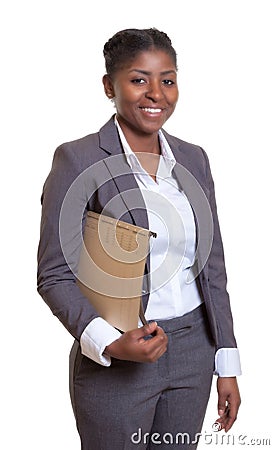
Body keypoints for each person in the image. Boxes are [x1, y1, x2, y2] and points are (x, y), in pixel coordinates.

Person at [37, 28, 241, 449]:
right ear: (109, 86)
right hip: (119, 354)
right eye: (138, 79)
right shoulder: (77, 159)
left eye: (167, 79)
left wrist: (226, 361)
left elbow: (212, 268)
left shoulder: (193, 158)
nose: (156, 94)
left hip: (193, 352)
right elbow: (54, 274)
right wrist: (109, 341)